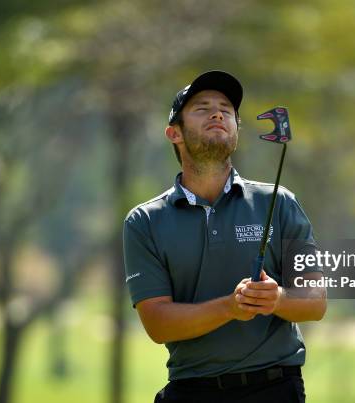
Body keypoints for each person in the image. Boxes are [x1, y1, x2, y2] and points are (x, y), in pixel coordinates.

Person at [123, 70, 326, 403]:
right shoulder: (145, 221)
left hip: (275, 389)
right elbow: (158, 324)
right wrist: (230, 308)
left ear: (236, 131)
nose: (217, 113)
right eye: (202, 108)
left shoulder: (280, 202)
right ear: (174, 133)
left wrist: (277, 300)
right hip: (192, 391)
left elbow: (316, 301)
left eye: (226, 109)